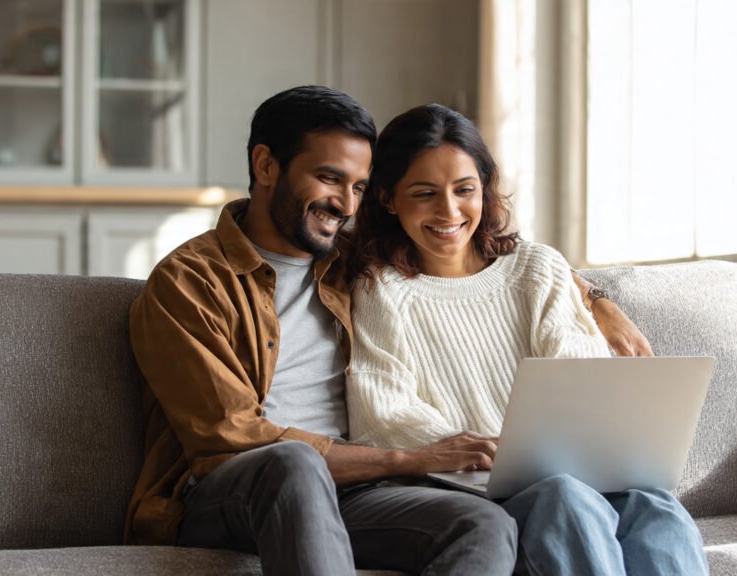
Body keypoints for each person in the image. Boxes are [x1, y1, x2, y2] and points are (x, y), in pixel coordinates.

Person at [126, 86, 651, 576]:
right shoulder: (188, 282)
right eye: (329, 179)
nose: (346, 204)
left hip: (359, 489)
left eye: (358, 187)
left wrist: (598, 299)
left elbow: (499, 261)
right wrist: (409, 459)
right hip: (230, 492)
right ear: (265, 165)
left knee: (485, 523)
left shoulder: (350, 260)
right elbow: (229, 438)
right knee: (294, 463)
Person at [347, 103, 707, 576]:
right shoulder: (381, 289)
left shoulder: (537, 268)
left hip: (572, 470)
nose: (449, 211)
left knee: (656, 505)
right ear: (388, 199)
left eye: (464, 190)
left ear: (484, 188)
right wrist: (481, 450)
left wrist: (597, 302)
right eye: (424, 193)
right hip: (471, 487)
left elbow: (582, 374)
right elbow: (383, 413)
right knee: (566, 498)